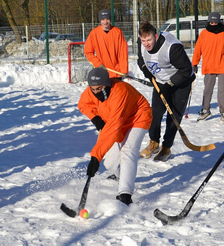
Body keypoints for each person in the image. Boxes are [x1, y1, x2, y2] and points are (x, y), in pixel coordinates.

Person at [78, 68, 152, 205]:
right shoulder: (92, 91)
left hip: (138, 117)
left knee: (128, 150)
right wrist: (95, 118)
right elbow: (83, 104)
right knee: (110, 163)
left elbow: (113, 128)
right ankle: (122, 175)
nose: (96, 92)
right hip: (117, 121)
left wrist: (95, 157)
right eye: (92, 89)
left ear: (107, 84)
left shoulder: (119, 92)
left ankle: (125, 193)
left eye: (99, 88)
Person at [137, 20, 195, 162]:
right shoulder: (141, 43)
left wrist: (169, 84)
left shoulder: (172, 47)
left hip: (181, 82)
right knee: (155, 114)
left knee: (173, 117)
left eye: (149, 39)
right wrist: (148, 74)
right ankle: (154, 143)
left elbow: (186, 70)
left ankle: (166, 148)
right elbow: (141, 61)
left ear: (155, 36)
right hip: (161, 82)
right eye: (143, 40)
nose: (147, 43)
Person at [192, 12, 224, 124]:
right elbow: (198, 49)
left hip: (222, 65)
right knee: (207, 90)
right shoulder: (204, 34)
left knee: (222, 91)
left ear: (219, 22)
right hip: (209, 66)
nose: (213, 24)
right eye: (211, 22)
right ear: (208, 22)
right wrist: (195, 63)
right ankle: (205, 110)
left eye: (215, 22)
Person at [84, 9, 128, 79]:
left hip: (116, 71)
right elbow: (88, 52)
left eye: (107, 19)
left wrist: (124, 69)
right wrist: (98, 64)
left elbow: (122, 53)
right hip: (101, 71)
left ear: (110, 20)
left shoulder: (118, 32)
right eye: (103, 19)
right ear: (100, 21)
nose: (105, 22)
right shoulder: (94, 33)